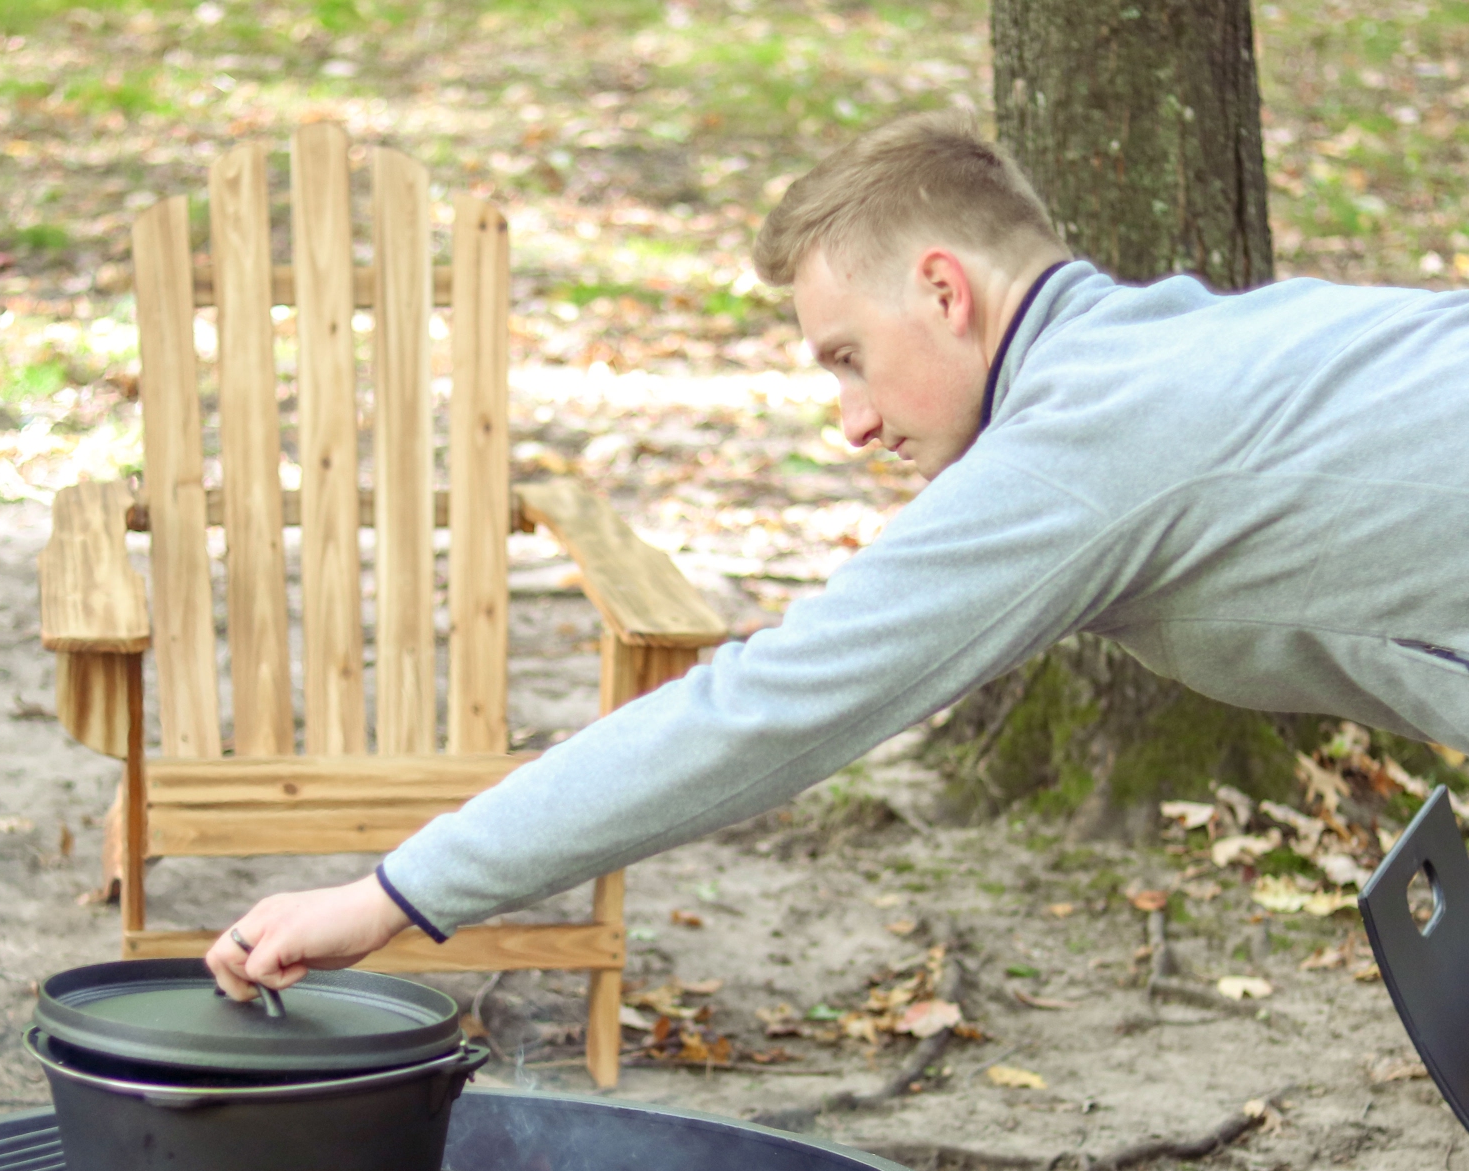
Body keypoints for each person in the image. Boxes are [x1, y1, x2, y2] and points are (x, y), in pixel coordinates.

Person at [209, 109, 1469, 1000]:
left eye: (846, 359)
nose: (855, 421)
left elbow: (764, 710)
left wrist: (390, 895)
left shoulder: (1085, 443)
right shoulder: (1168, 352)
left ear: (942, 289)